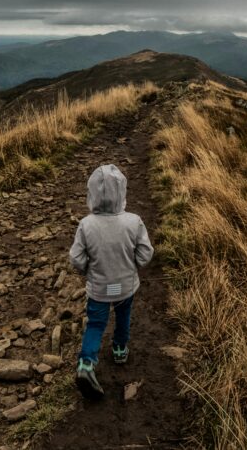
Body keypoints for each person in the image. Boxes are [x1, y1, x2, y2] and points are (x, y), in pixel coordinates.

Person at [69, 164, 154, 399]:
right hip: (126, 285)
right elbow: (146, 254)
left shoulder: (86, 224)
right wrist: (132, 264)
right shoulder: (134, 221)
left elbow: (76, 258)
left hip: (98, 289)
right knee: (123, 316)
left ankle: (86, 365)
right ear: (122, 191)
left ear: (92, 193)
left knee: (96, 324)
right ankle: (119, 349)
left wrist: (90, 270)